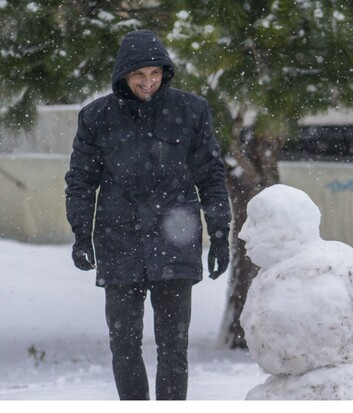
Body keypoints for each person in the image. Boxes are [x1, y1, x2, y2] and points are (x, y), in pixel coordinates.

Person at [64, 29, 231, 400]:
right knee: (124, 348)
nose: (148, 82)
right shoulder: (97, 117)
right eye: (139, 75)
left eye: (155, 73)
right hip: (119, 242)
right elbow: (80, 181)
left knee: (174, 349)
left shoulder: (191, 110)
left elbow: (210, 175)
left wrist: (220, 234)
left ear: (165, 72)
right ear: (124, 75)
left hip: (176, 241)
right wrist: (81, 234)